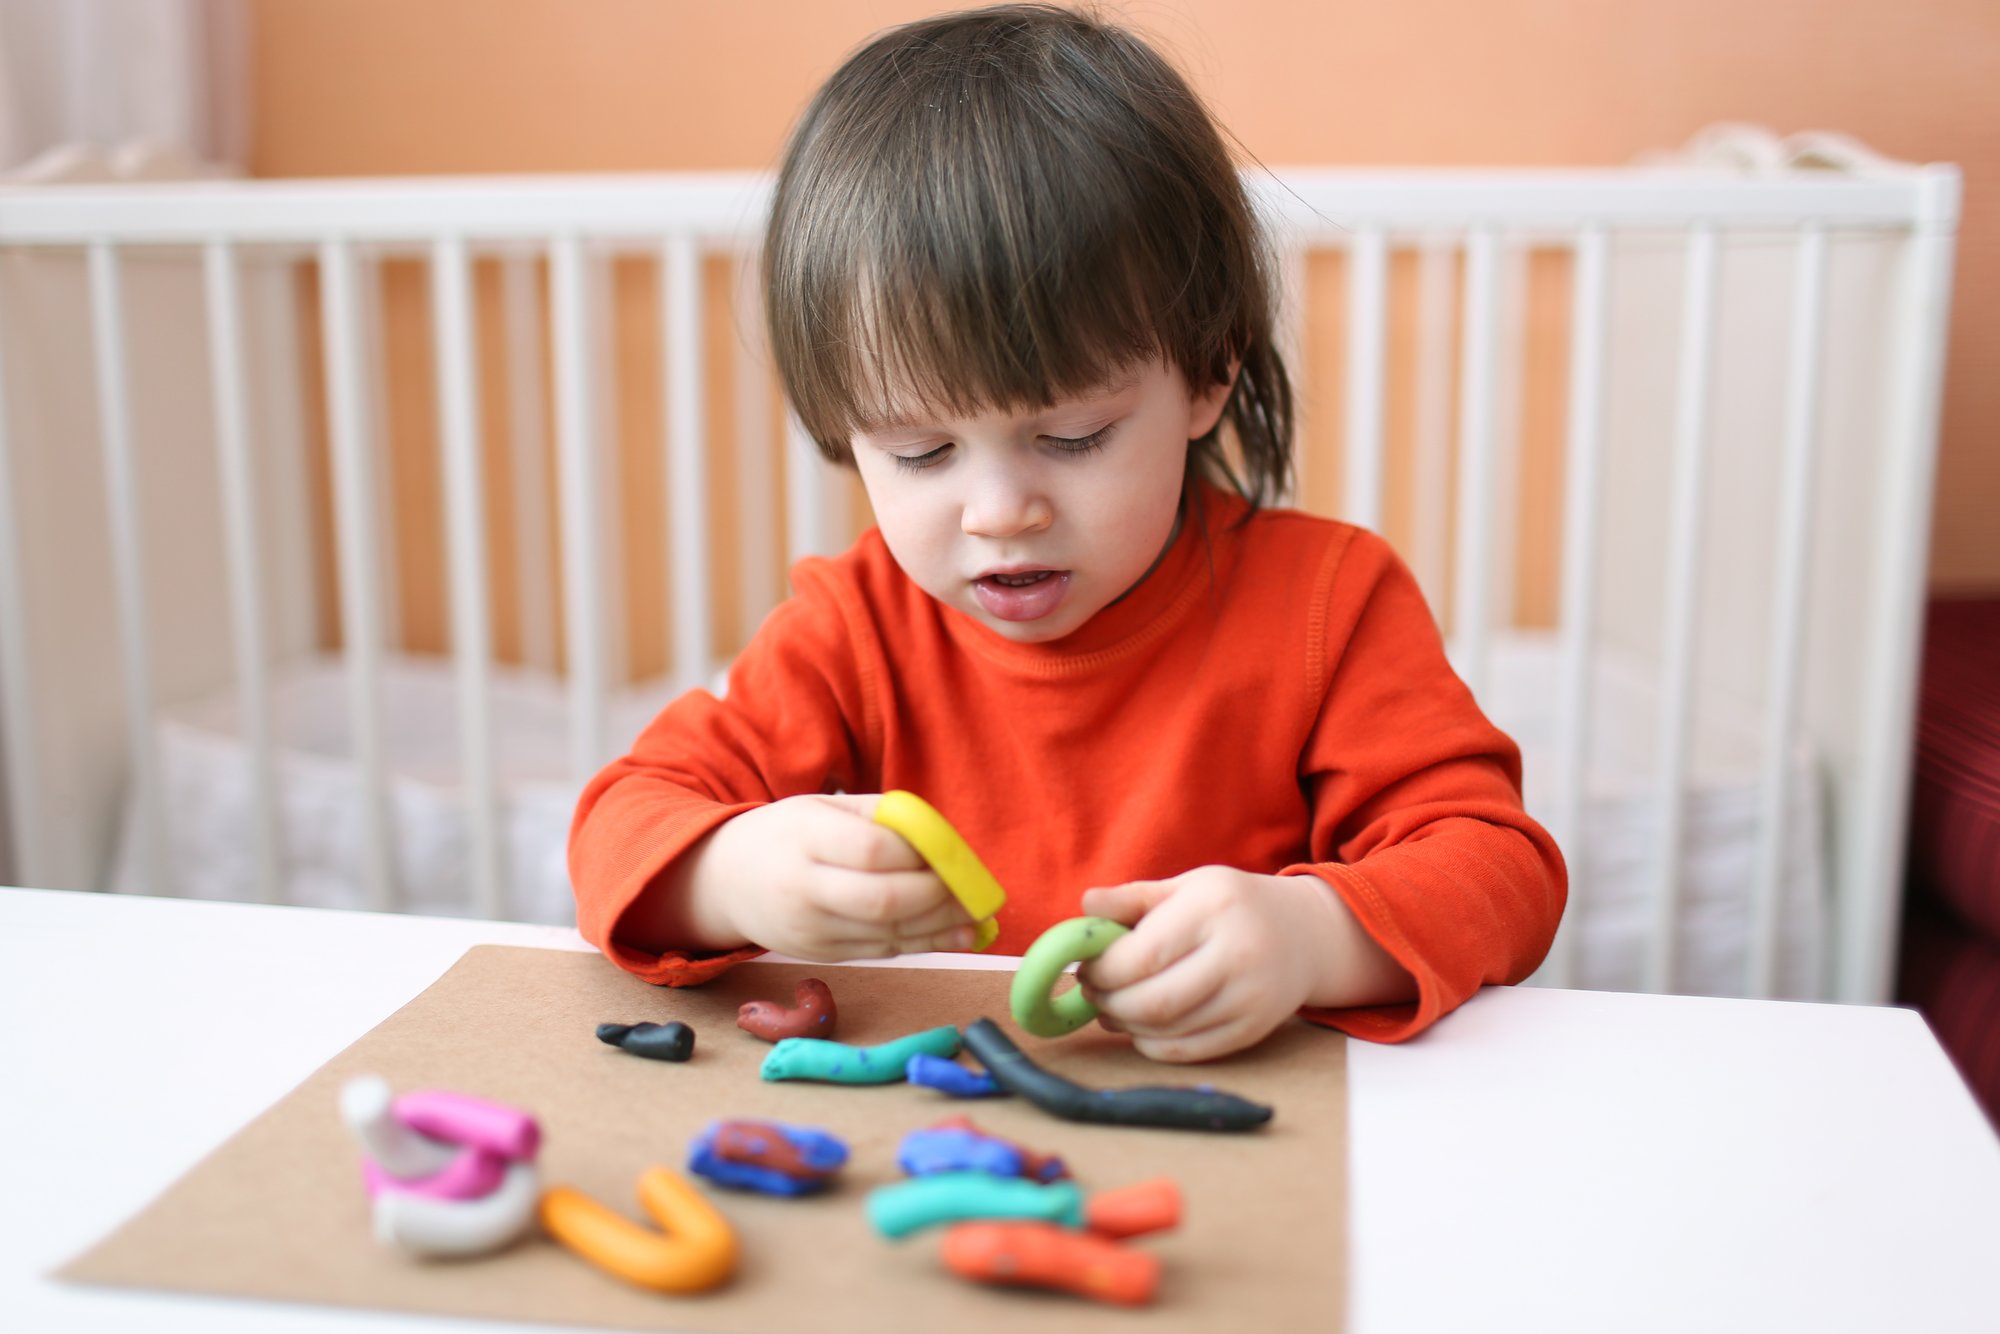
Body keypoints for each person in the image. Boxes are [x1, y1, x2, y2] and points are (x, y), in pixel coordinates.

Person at [569, 3, 1565, 1061]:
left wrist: (1316, 935)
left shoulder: (1329, 604)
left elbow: (1497, 866)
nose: (1000, 512)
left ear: (1208, 369)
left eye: (1072, 433)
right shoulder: (849, 629)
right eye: (918, 453)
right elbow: (613, 827)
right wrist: (730, 873)